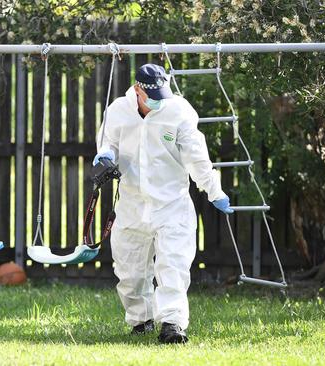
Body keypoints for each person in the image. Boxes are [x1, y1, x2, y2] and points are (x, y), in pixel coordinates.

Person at [94, 64, 233, 344]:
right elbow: (108, 143)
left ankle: (172, 324)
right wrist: (106, 154)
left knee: (173, 266)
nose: (159, 100)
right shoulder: (118, 110)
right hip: (132, 204)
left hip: (172, 204)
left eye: (161, 94)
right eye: (153, 96)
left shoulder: (178, 111)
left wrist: (213, 190)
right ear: (137, 91)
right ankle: (140, 320)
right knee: (129, 270)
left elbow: (197, 157)